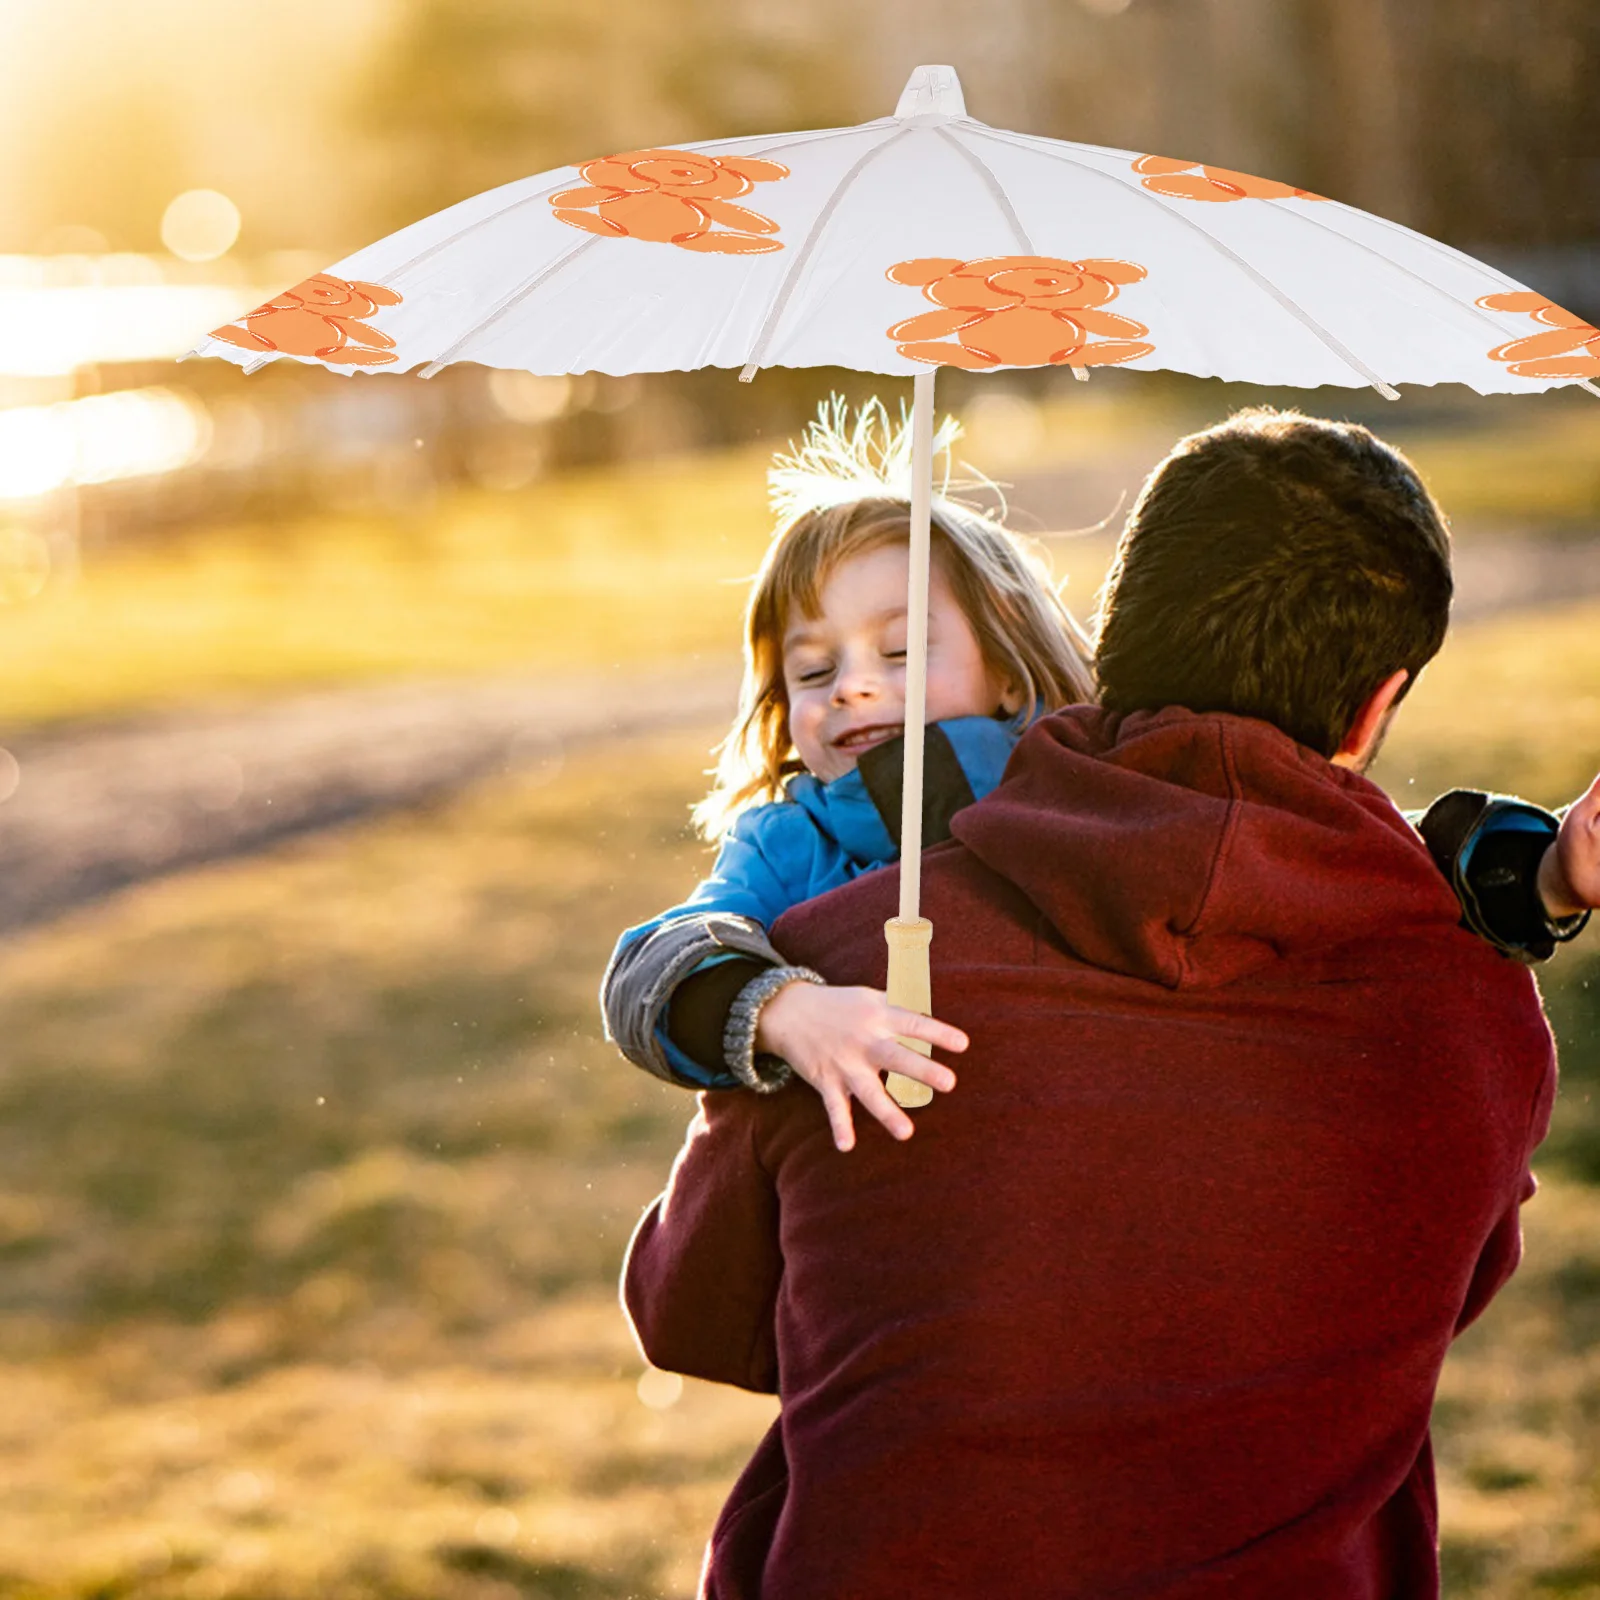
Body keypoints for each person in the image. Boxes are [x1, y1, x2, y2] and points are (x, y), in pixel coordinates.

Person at [622, 408, 1598, 1598]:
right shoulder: (1472, 1019)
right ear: (1372, 705)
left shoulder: (850, 975)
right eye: (817, 669)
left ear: (1110, 637)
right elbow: (1445, 1292)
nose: (853, 694)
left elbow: (694, 1315)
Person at [603, 401, 1591, 1151]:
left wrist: (1540, 874)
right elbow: (651, 966)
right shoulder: (792, 843)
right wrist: (780, 1010)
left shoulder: (1079, 765)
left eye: (900, 653)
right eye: (813, 670)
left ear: (1004, 659)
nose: (853, 689)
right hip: (904, 1172)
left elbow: (1349, 858)